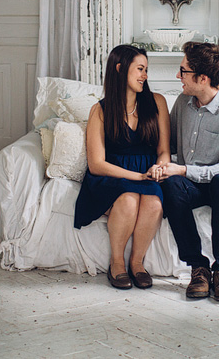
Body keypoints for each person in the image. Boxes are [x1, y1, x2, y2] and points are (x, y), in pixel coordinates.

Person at [157, 42, 219, 302]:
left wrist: (185, 169)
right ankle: (198, 267)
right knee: (171, 184)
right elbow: (171, 145)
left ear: (203, 78)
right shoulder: (183, 102)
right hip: (193, 184)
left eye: (183, 71)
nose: (178, 76)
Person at [73, 45, 171, 290]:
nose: (144, 75)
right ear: (120, 68)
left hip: (147, 172)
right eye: (140, 69)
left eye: (146, 70)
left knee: (153, 202)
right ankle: (116, 263)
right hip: (113, 174)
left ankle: (137, 263)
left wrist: (160, 167)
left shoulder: (157, 102)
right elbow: (96, 164)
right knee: (128, 200)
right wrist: (138, 175)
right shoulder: (100, 110)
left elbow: (164, 151)